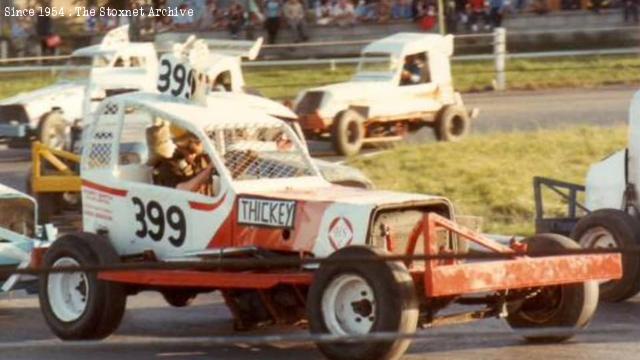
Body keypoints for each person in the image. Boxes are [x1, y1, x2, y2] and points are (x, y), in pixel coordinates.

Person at [147, 122, 214, 195]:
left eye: (197, 142)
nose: (192, 154)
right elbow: (183, 190)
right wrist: (208, 170)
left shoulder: (204, 159)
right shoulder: (167, 166)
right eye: (187, 146)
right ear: (178, 146)